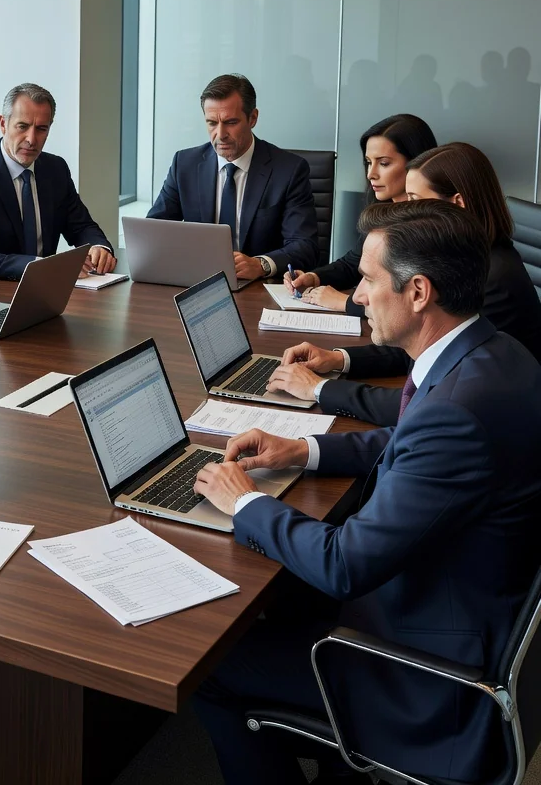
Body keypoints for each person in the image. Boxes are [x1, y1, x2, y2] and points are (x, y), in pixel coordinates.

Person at [191, 200, 541, 785]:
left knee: (214, 665)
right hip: (466, 605)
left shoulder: (456, 412)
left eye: (370, 281)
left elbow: (345, 565)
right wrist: (304, 450)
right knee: (268, 605)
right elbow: (412, 444)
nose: (355, 295)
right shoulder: (498, 357)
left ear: (419, 292)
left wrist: (245, 501)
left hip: (425, 677)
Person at [270, 142, 541, 423]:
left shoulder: (491, 279)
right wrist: (338, 359)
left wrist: (318, 388)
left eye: (416, 200)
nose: (404, 209)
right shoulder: (465, 261)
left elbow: (425, 404)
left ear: (458, 204)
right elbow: (421, 344)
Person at [147, 73, 318, 281]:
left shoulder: (289, 170)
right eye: (211, 123)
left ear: (253, 118)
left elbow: (304, 245)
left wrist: (260, 264)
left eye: (231, 122)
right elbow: (155, 231)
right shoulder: (185, 164)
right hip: (199, 282)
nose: (220, 134)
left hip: (258, 288)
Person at [0, 82, 116, 282]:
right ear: (3, 124)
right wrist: (42, 266)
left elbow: (81, 225)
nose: (31, 139)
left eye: (41, 129)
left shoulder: (55, 169)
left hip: (48, 290)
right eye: (22, 127)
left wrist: (98, 246)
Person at [284, 113, 436, 313]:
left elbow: (411, 306)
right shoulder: (383, 210)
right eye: (368, 162)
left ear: (417, 162)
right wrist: (314, 277)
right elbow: (352, 264)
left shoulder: (431, 223)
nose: (370, 174)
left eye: (383, 163)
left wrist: (345, 303)